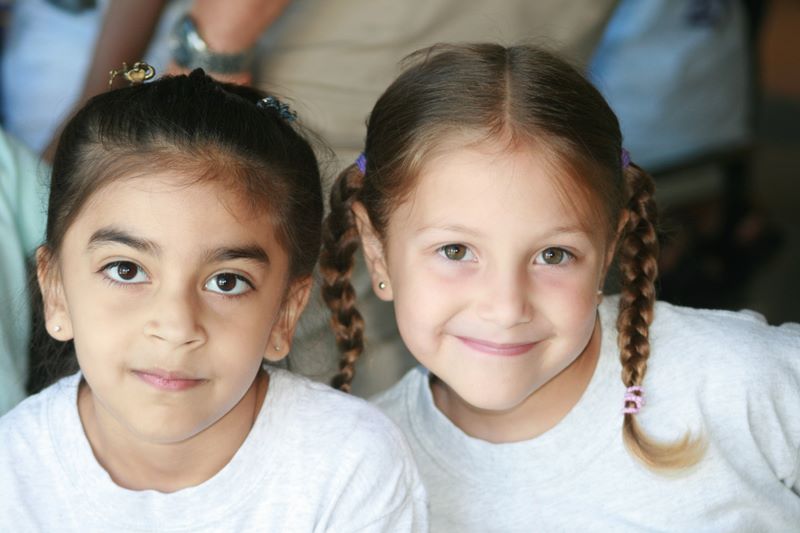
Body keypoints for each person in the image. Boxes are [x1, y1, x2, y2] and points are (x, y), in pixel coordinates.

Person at [320, 43, 800, 530]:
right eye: (456, 251)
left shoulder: (738, 381)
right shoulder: (359, 474)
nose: (506, 307)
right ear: (377, 251)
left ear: (607, 250)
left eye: (553, 255)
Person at [0, 66, 426, 531]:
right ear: (56, 291)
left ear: (286, 312)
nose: (176, 327)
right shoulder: (13, 475)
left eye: (226, 282)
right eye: (126, 270)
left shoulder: (350, 466)